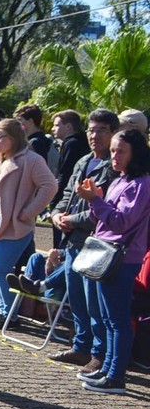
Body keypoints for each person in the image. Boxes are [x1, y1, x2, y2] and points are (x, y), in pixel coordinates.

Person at [74, 129, 150, 395]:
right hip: (106, 253)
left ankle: (116, 377)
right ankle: (107, 368)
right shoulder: (121, 179)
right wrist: (95, 199)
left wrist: (95, 200)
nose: (114, 156)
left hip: (122, 258)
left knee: (118, 320)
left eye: (121, 151)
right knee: (107, 318)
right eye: (113, 150)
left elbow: (121, 222)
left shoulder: (141, 184)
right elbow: (102, 219)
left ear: (135, 153)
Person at [48, 109, 119, 369]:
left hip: (96, 244)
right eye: (91, 130)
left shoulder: (114, 167)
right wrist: (56, 215)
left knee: (94, 304)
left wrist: (73, 220)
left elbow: (104, 208)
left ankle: (99, 354)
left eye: (101, 130)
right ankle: (80, 347)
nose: (94, 135)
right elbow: (67, 194)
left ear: (114, 133)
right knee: (77, 299)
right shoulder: (83, 160)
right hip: (72, 243)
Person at [0, 118, 58, 330]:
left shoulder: (31, 159)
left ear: (14, 138)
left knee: (1, 267)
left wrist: (28, 212)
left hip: (16, 225)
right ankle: (5, 313)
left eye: (2, 137)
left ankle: (9, 316)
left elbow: (50, 185)